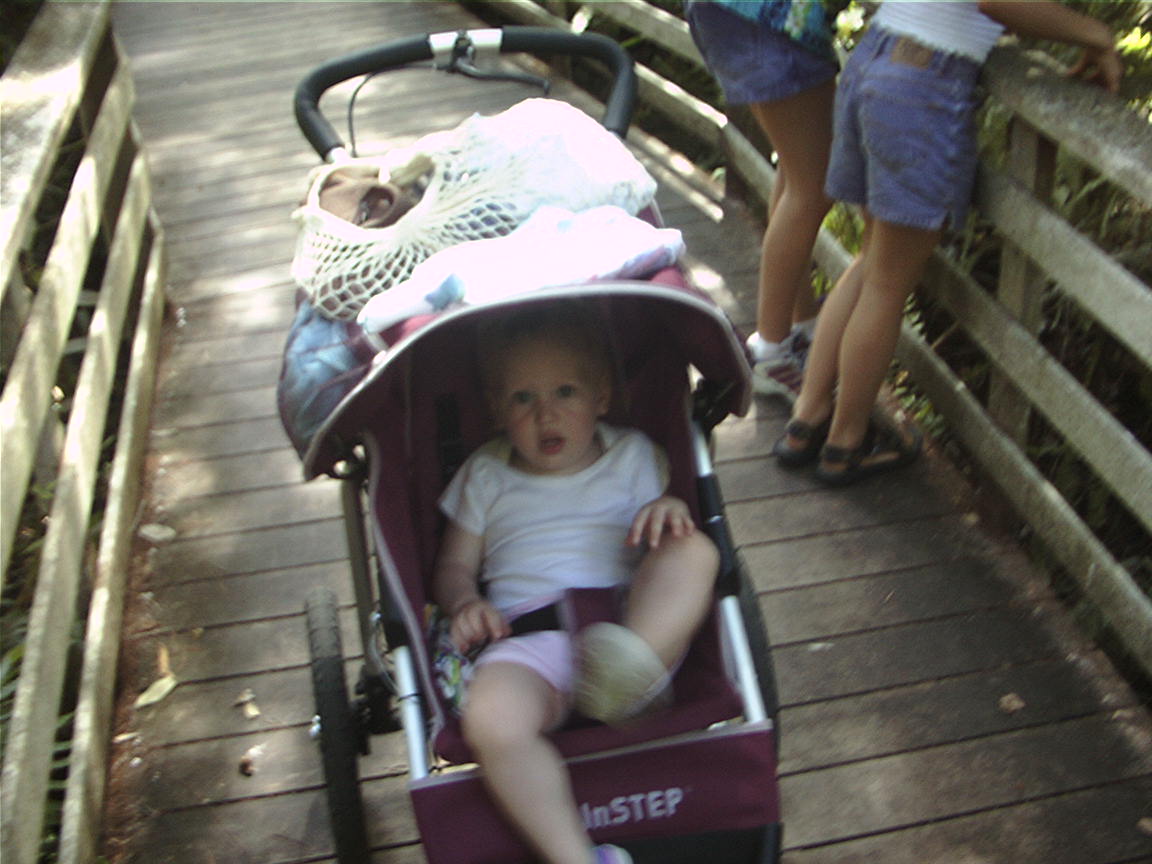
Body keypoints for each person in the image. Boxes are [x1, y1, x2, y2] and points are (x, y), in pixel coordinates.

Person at [774, 0, 1124, 486]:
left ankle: (806, 422)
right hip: (922, 82)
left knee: (871, 262)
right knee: (886, 285)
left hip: (877, 57)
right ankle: (844, 444)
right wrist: (1095, 34)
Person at [431, 305, 719, 864]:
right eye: (522, 398)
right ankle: (576, 858)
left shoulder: (634, 455)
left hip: (632, 627)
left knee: (695, 550)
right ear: (497, 410)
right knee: (492, 721)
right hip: (526, 643)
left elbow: (665, 539)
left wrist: (669, 509)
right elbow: (452, 567)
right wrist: (464, 600)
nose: (546, 414)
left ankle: (625, 677)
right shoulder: (485, 474)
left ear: (601, 398)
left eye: (566, 391)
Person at [685, 0, 842, 398]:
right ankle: (773, 349)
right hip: (768, 22)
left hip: (743, 17)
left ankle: (801, 322)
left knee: (797, 176)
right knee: (812, 190)